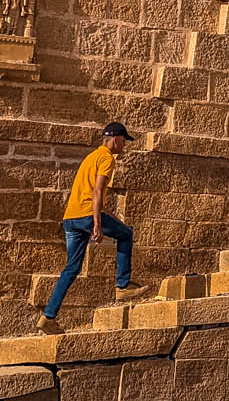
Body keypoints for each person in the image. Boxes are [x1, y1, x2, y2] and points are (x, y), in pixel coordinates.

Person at [37, 121, 147, 325]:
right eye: (123, 141)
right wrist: (97, 223)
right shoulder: (106, 158)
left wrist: (108, 216)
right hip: (88, 215)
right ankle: (122, 285)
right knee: (126, 234)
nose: (124, 146)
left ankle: (48, 317)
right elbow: (96, 192)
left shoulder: (90, 157)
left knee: (71, 268)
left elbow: (90, 194)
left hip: (71, 218)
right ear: (115, 139)